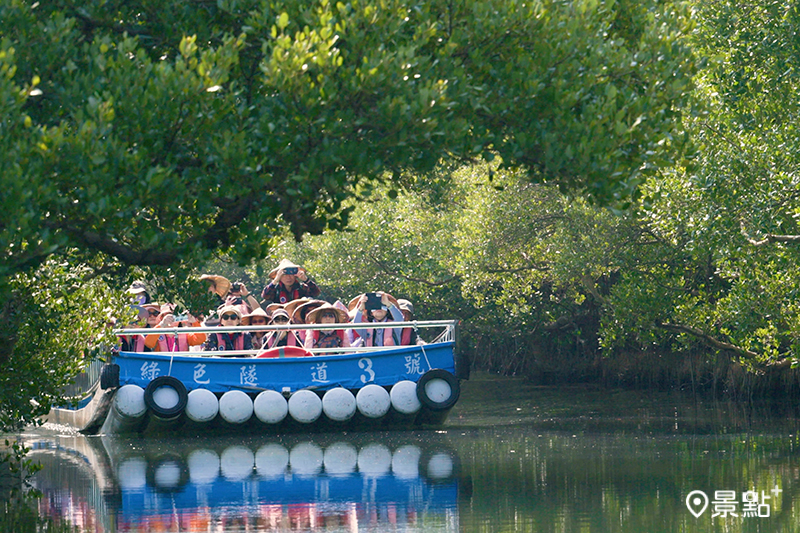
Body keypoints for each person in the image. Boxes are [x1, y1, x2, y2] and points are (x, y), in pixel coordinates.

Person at [120, 304, 206, 352]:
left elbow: (200, 339)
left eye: (174, 316)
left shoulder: (185, 333)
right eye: (166, 316)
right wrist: (162, 325)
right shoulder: (158, 332)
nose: (171, 319)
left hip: (181, 365)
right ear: (161, 318)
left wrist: (195, 322)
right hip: (162, 366)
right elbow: (149, 343)